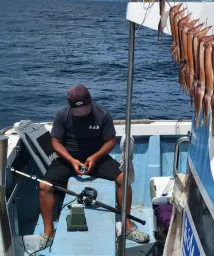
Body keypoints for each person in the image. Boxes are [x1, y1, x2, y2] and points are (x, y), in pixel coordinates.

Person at [39, 85, 149, 249]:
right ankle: (48, 231)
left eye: (86, 108)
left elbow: (110, 140)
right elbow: (55, 142)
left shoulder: (102, 114)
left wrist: (95, 157)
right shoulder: (62, 115)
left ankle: (126, 224)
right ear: (70, 107)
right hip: (68, 159)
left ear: (91, 102)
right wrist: (71, 160)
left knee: (123, 179)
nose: (83, 112)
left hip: (97, 158)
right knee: (44, 186)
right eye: (78, 110)